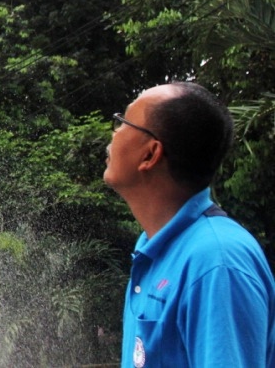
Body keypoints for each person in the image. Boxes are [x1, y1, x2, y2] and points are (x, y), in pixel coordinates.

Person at [104, 81, 275, 367]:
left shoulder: (216, 262)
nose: (114, 132)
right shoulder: (153, 247)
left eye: (123, 122)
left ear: (150, 154)